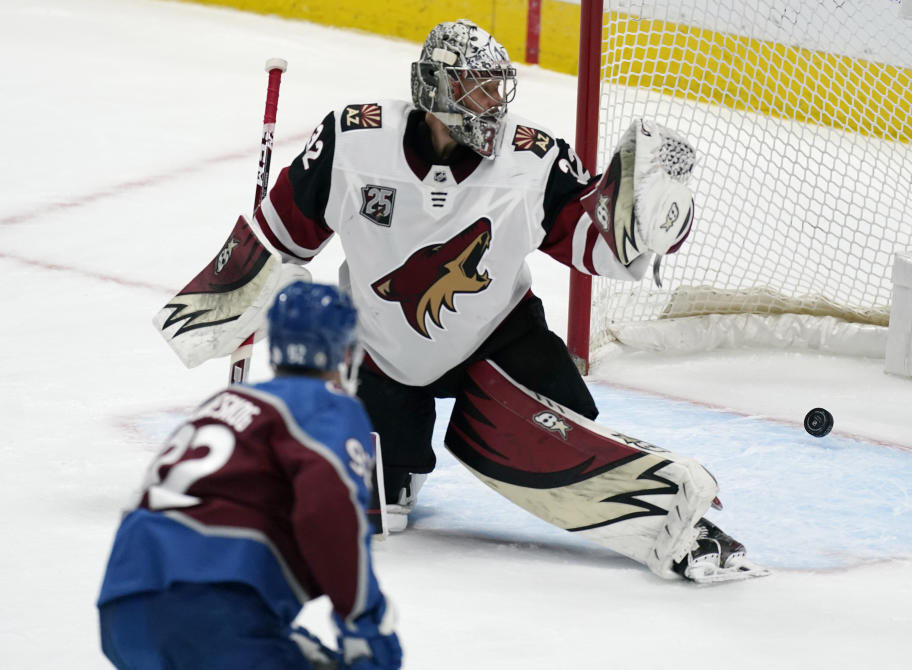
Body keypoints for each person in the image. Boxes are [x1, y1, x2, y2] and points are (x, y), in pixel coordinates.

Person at [243, 20, 761, 582]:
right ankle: (395, 455)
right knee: (376, 510)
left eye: (498, 87)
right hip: (380, 353)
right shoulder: (352, 139)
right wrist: (251, 298)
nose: (493, 102)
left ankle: (675, 524)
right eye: (476, 87)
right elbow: (277, 239)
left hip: (499, 341)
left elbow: (601, 246)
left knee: (559, 446)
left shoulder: (531, 157)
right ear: (433, 88)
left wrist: (652, 217)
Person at [98, 281, 403, 670]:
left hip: (122, 609)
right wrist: (365, 621)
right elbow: (328, 514)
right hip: (215, 607)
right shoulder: (327, 406)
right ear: (344, 351)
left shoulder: (221, 404)